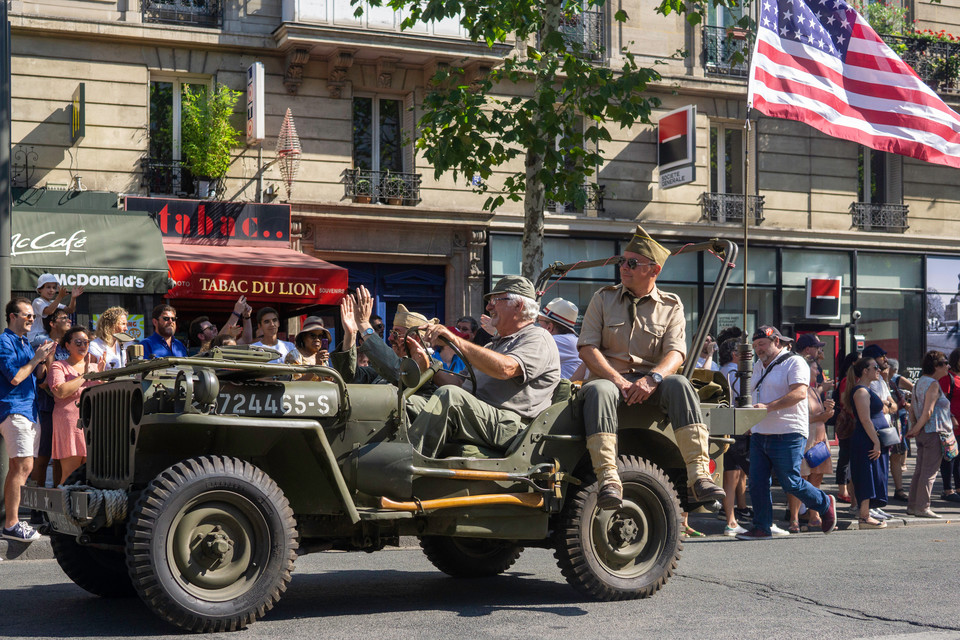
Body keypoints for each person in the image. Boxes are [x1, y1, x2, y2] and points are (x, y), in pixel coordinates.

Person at [577, 225, 724, 509]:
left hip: (652, 383)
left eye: (632, 263)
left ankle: (699, 475)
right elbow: (587, 348)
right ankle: (608, 478)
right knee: (600, 391)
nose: (624, 268)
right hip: (610, 381)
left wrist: (653, 379)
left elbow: (676, 352)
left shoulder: (671, 305)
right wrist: (619, 381)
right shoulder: (603, 298)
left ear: (653, 270)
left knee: (680, 383)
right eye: (622, 261)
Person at [405, 276, 560, 459]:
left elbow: (506, 369)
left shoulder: (538, 337)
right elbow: (457, 383)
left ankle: (405, 468)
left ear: (518, 305)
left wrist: (455, 340)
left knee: (450, 398)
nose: (488, 307)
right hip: (480, 418)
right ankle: (375, 463)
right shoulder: (492, 346)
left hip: (513, 428)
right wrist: (427, 365)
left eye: (496, 300)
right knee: (406, 403)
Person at [736, 325, 836, 540]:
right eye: (755, 346)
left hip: (788, 432)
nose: (758, 349)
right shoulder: (757, 366)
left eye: (762, 344)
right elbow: (753, 396)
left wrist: (768, 407)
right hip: (760, 432)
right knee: (757, 482)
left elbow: (800, 393)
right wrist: (749, 422)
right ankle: (762, 527)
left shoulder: (795, 361)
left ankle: (824, 503)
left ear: (777, 342)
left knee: (790, 481)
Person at [0, 298, 56, 542]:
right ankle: (11, 524)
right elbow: (14, 377)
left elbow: (38, 376)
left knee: (21, 467)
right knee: (23, 467)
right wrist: (35, 359)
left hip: (29, 410)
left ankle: (12, 522)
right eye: (27, 315)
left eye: (33, 316)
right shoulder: (4, 341)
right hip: (15, 409)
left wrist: (43, 359)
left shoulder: (24, 342)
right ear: (12, 316)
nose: (32, 319)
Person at [49, 326, 104, 485]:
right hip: (69, 422)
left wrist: (103, 378)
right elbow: (60, 392)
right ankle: (64, 508)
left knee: (93, 471)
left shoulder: (95, 367)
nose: (83, 346)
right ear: (67, 345)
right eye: (78, 342)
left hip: (93, 423)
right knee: (70, 471)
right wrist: (85, 376)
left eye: (86, 342)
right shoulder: (58, 366)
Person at [786, 360, 835, 532]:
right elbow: (801, 418)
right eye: (815, 368)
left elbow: (818, 416)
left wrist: (827, 413)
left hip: (818, 440)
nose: (818, 371)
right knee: (800, 479)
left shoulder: (814, 390)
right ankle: (794, 519)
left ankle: (815, 517)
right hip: (805, 439)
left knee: (816, 478)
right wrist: (823, 416)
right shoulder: (798, 391)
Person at [29, 309, 72, 497]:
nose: (68, 321)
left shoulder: (67, 346)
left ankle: (57, 498)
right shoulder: (43, 342)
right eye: (64, 318)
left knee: (61, 456)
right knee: (44, 454)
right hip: (46, 405)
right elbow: (42, 379)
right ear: (52, 323)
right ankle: (37, 505)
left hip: (65, 407)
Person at [845, 357, 891, 529]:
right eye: (875, 367)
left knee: (873, 474)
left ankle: (867, 513)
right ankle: (864, 516)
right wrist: (876, 442)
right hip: (866, 440)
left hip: (871, 439)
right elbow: (865, 420)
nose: (878, 370)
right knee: (866, 475)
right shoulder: (861, 392)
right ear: (865, 370)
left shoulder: (866, 389)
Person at [906, 350, 952, 519]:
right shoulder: (933, 384)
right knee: (929, 473)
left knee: (920, 470)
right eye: (944, 362)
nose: (948, 366)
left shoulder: (920, 382)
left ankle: (913, 506)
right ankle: (923, 507)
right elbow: (928, 411)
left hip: (923, 432)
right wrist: (916, 428)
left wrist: (914, 428)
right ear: (936, 366)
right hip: (933, 431)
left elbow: (912, 409)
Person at [537, 297, 585, 380]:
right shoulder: (569, 340)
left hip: (563, 391)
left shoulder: (558, 341)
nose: (536, 324)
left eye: (539, 321)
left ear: (549, 327)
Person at [887, 357, 913, 502]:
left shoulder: (894, 381)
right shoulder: (878, 382)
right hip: (886, 423)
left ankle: (899, 489)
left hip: (895, 421)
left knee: (897, 455)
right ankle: (885, 490)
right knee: (884, 457)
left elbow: (913, 390)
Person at [29, 274, 83, 342]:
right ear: (40, 289)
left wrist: (73, 298)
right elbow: (49, 311)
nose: (51, 290)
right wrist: (59, 297)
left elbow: (70, 310)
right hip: (36, 336)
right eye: (48, 287)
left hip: (47, 336)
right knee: (53, 344)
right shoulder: (37, 301)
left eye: (54, 288)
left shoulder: (53, 302)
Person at [937, 347, 960, 503]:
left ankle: (958, 488)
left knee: (959, 458)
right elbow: (941, 401)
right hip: (952, 424)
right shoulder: (948, 378)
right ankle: (947, 489)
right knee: (949, 457)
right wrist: (951, 417)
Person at [88, 306, 129, 370]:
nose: (126, 329)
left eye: (126, 324)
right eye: (123, 324)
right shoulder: (95, 346)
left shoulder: (124, 344)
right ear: (111, 325)